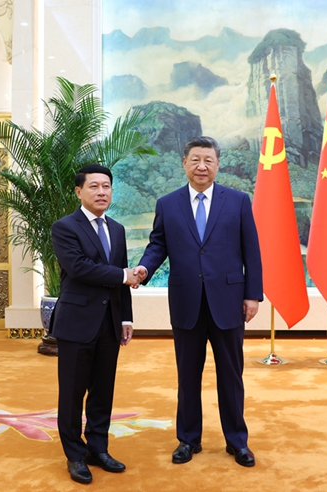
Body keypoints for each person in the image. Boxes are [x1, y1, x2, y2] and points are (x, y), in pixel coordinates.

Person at [134, 136, 263, 468]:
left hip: (229, 302)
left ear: (218, 164)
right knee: (187, 375)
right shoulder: (167, 204)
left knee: (231, 375)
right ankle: (188, 440)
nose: (201, 166)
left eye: (208, 160)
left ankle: (237, 441)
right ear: (184, 163)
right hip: (186, 302)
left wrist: (252, 294)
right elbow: (157, 245)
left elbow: (251, 250)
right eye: (195, 160)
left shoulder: (238, 201)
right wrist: (144, 268)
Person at [50, 164, 142, 484]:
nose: (102, 192)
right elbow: (79, 268)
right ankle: (75, 455)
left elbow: (122, 278)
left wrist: (126, 317)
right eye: (94, 186)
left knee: (103, 391)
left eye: (106, 186)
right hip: (76, 323)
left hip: (110, 323)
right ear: (79, 192)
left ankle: (97, 449)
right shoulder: (65, 227)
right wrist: (123, 275)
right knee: (72, 393)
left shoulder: (117, 229)